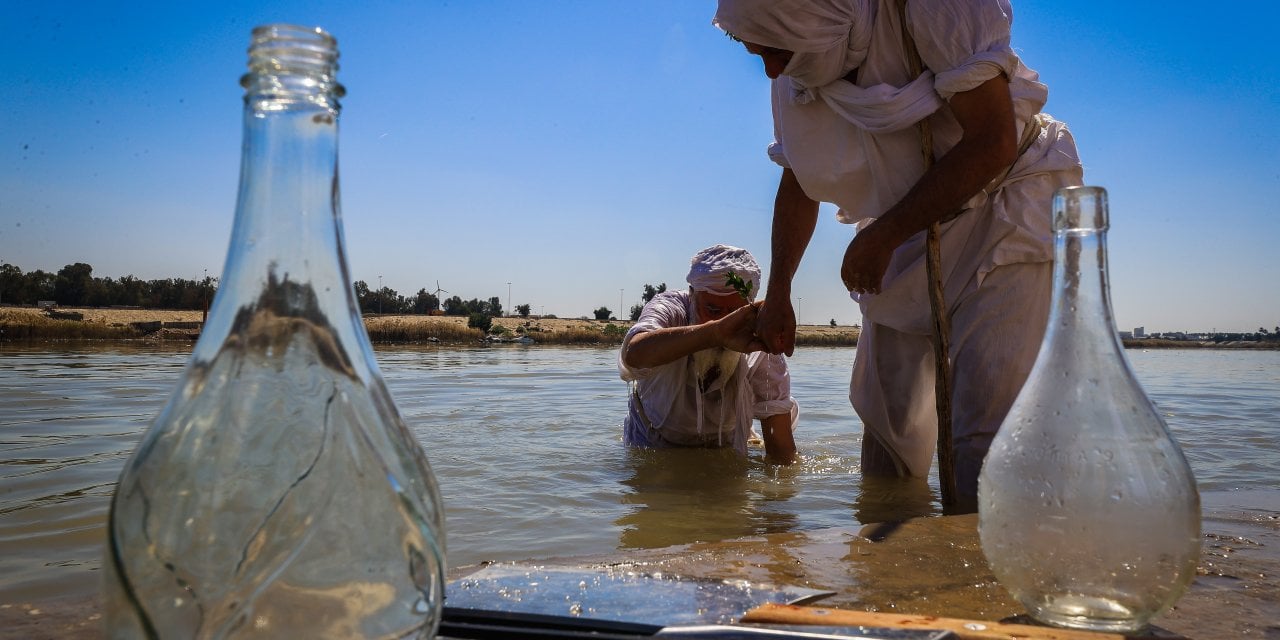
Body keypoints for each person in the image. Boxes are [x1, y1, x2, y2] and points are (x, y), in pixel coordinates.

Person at [713, 0, 1084, 509]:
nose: (772, 70)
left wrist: (884, 235)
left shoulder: (929, 9)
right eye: (758, 53)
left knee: (984, 435)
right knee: (887, 430)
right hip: (903, 225)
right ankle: (889, 567)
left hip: (1005, 204)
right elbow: (798, 178)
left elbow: (994, 140)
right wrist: (779, 293)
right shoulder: (795, 73)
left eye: (777, 51)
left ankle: (986, 576)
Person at [619, 244, 799, 464]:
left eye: (735, 313)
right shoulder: (672, 309)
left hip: (724, 446)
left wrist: (779, 493)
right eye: (712, 310)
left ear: (750, 306)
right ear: (692, 296)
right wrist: (715, 333)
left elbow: (780, 449)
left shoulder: (760, 342)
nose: (726, 322)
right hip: (652, 443)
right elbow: (634, 353)